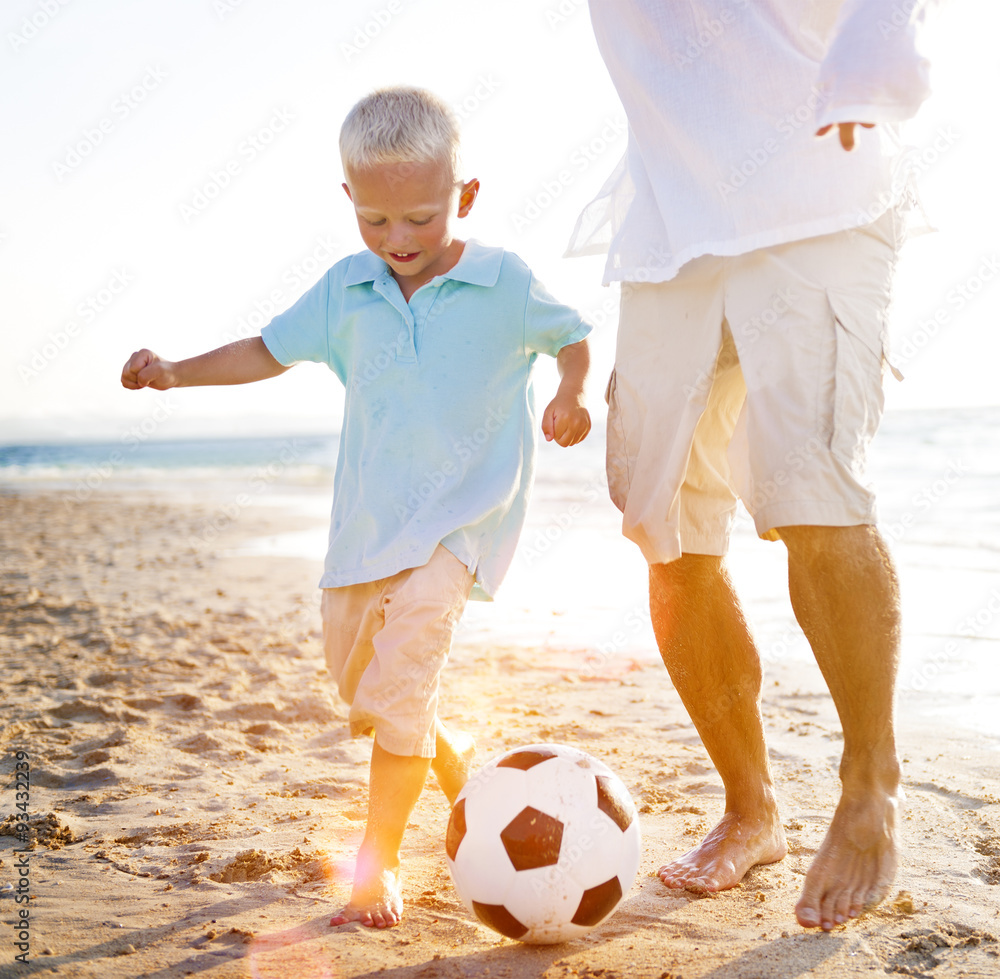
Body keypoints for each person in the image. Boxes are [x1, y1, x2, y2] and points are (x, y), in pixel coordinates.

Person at [121, 86, 592, 929]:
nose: (398, 241)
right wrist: (175, 371)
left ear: (466, 198)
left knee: (402, 687)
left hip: (460, 528)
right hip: (367, 534)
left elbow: (572, 334)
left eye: (419, 217)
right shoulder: (347, 290)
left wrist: (571, 393)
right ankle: (461, 767)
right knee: (372, 694)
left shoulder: (503, 281)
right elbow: (266, 350)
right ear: (349, 201)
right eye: (376, 220)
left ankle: (374, 871)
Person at [568, 0, 936, 932]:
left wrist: (878, 37)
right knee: (665, 529)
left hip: (820, 188)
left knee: (810, 491)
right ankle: (751, 806)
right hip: (670, 226)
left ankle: (868, 788)